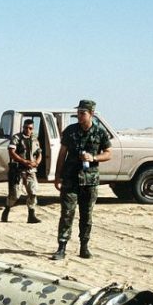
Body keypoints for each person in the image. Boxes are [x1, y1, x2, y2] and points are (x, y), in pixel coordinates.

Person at [51, 100, 112, 260]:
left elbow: (108, 153)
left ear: (91, 113)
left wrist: (93, 157)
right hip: (70, 179)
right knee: (67, 214)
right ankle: (61, 247)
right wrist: (57, 176)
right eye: (78, 112)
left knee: (87, 215)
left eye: (82, 113)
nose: (78, 115)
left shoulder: (100, 132)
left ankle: (84, 247)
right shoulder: (70, 131)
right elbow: (62, 154)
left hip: (89, 181)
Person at [1, 119, 42, 223]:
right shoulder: (16, 138)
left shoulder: (35, 139)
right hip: (18, 170)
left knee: (33, 192)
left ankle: (31, 215)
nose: (27, 130)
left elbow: (39, 153)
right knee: (15, 194)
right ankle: (7, 209)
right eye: (26, 128)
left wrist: (36, 162)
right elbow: (11, 152)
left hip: (31, 170)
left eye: (30, 128)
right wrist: (23, 161)